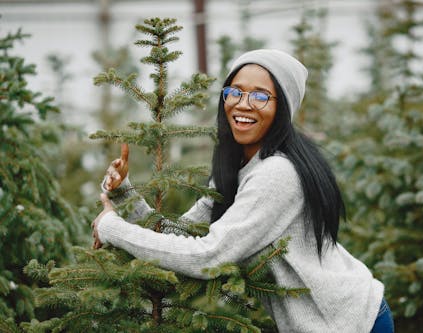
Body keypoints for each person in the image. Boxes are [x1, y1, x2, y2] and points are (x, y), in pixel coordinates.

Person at [92, 49, 394, 333]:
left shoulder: (277, 173)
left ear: (282, 107)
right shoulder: (236, 167)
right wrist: (124, 195)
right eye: (234, 91)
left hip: (347, 321)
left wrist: (112, 228)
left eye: (260, 96)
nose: (242, 103)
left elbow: (209, 255)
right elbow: (185, 233)